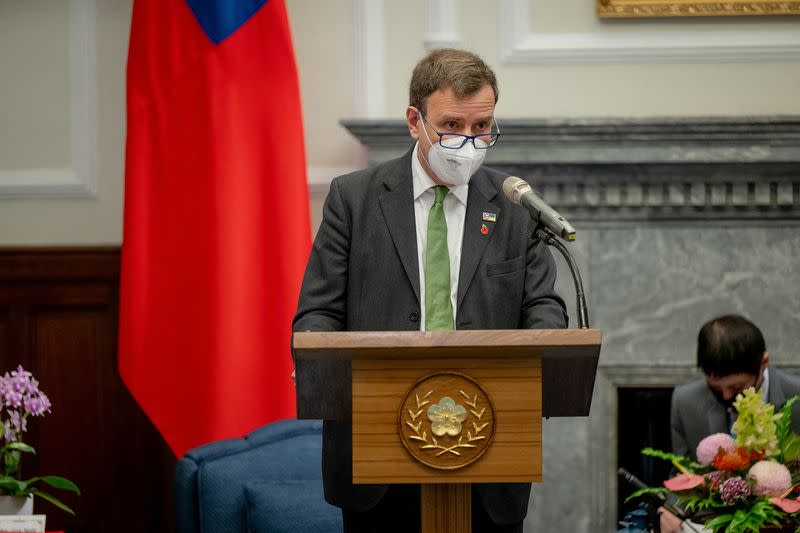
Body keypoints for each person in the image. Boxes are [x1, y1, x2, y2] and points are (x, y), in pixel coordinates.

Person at [292, 48, 568, 533]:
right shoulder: (353, 200)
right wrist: (326, 369)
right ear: (414, 121)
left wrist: (539, 349)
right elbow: (316, 317)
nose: (469, 141)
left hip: (489, 451)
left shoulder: (514, 204)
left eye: (482, 126)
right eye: (452, 126)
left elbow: (543, 307)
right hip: (374, 455)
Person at [661, 314, 800, 533]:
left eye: (737, 388)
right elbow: (683, 473)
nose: (727, 397)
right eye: (716, 388)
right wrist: (670, 509)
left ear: (763, 363)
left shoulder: (797, 395)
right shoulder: (685, 401)